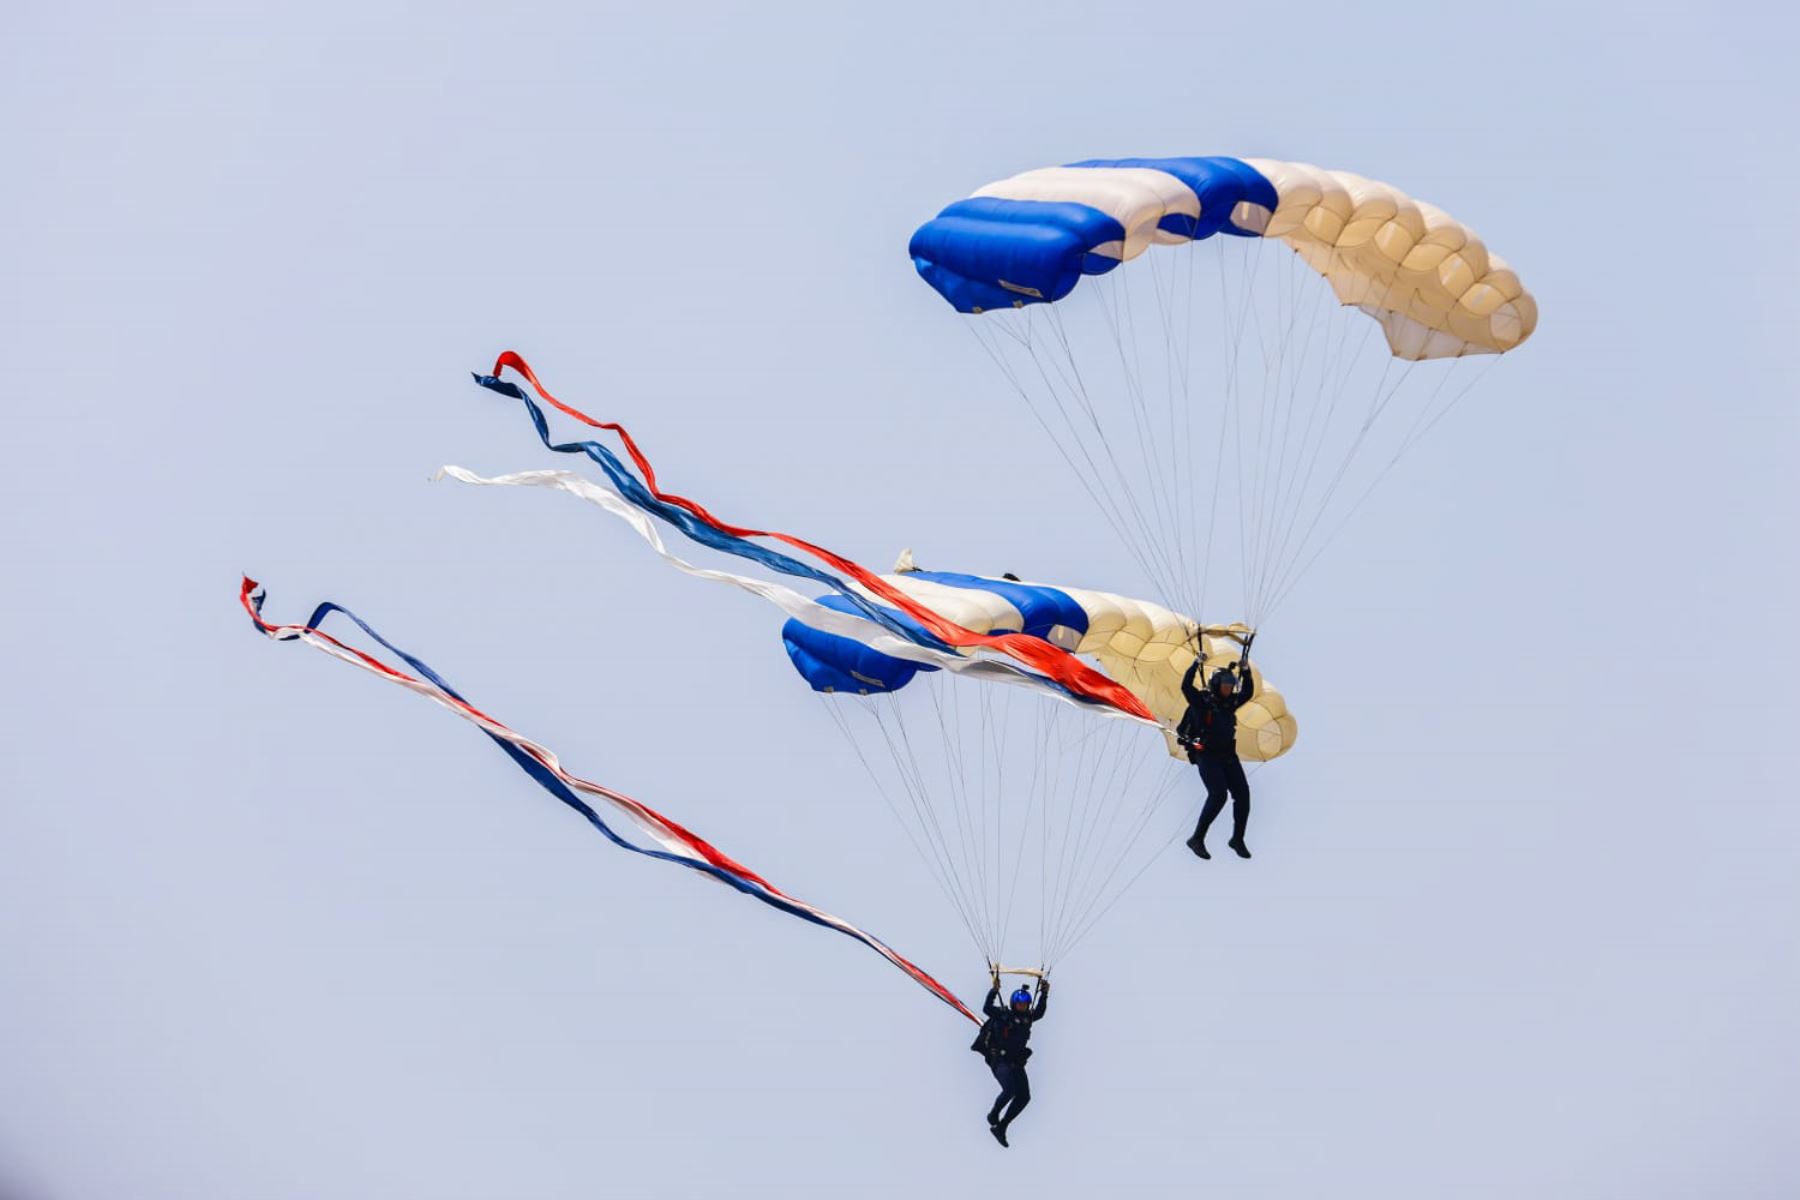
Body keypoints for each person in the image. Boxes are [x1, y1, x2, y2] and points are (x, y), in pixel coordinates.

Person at [1178, 641, 1256, 860]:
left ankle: (1237, 838)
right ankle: (1197, 838)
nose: (1229, 689)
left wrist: (1246, 671)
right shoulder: (1202, 703)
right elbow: (1186, 687)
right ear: (1216, 684)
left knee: (1243, 795)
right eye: (1225, 685)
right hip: (1207, 754)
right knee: (1218, 794)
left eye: (1231, 685)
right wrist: (1196, 663)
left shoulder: (1229, 704)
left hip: (1228, 756)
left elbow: (1248, 692)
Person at [971, 977, 1049, 1146]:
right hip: (999, 1060)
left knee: (1024, 1097)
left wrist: (1044, 993)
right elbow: (987, 1008)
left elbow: (1040, 1012)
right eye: (1019, 1004)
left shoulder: (1028, 1018)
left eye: (1026, 1004)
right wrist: (994, 990)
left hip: (1015, 1063)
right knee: (1010, 1090)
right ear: (1014, 1004)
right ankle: (993, 1115)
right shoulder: (1004, 1014)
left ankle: (1001, 1128)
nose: (1023, 1006)